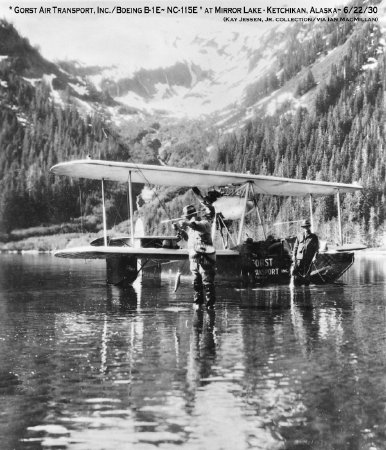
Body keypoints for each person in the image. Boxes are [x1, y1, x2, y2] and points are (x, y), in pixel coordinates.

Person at [174, 204, 216, 309]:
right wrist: (180, 230)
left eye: (186, 217)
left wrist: (187, 223)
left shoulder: (205, 223)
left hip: (205, 260)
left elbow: (197, 226)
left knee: (207, 283)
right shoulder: (191, 228)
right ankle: (198, 305)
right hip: (194, 260)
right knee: (197, 283)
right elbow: (189, 239)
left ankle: (210, 307)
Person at [291, 219, 319, 285]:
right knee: (297, 276)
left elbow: (316, 249)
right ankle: (298, 291)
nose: (306, 228)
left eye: (307, 226)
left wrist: (315, 257)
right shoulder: (299, 236)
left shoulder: (314, 237)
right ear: (303, 227)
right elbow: (295, 247)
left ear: (309, 227)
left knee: (307, 277)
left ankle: (306, 291)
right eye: (304, 227)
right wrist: (294, 256)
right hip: (299, 259)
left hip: (308, 259)